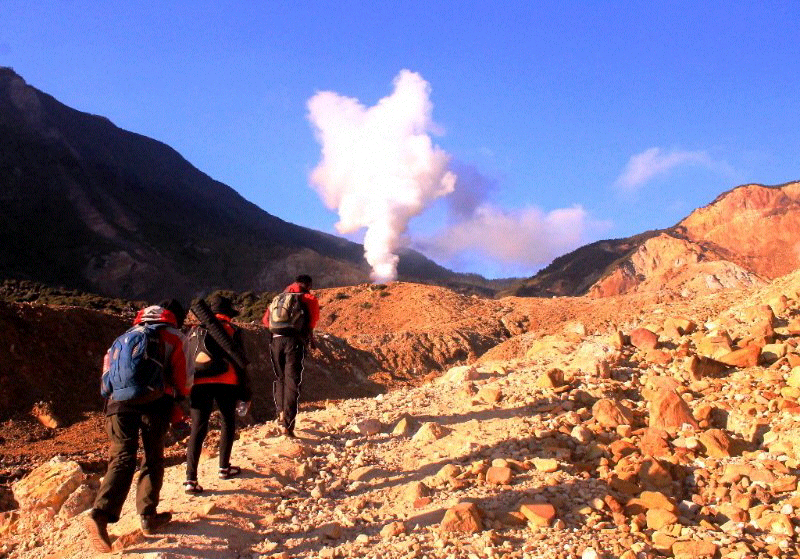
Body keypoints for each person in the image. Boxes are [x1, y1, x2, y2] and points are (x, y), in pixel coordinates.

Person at [84, 299, 190, 553]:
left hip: (117, 405)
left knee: (121, 458)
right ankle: (147, 516)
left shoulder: (123, 336)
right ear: (176, 317)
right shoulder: (174, 337)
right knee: (153, 458)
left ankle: (100, 514)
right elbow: (184, 382)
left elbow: (105, 381)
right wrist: (176, 398)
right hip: (155, 403)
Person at [184, 294, 251, 494]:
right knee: (228, 422)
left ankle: (190, 479)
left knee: (198, 428)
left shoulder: (194, 331)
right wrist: (245, 393)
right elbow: (240, 363)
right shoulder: (232, 330)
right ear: (228, 313)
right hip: (226, 381)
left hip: (198, 382)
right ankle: (224, 467)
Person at [262, 274, 319, 437]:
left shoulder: (278, 298)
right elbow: (312, 322)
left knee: (280, 378)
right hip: (294, 343)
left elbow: (265, 321)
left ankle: (280, 414)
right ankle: (288, 424)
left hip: (275, 342)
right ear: (308, 285)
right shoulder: (309, 298)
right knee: (292, 381)